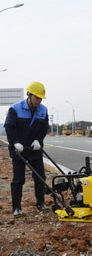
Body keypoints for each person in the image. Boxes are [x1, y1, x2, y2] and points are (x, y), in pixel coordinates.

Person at [4, 81, 49, 216]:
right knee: (18, 179)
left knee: (40, 176)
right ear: (29, 95)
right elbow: (9, 127)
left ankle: (40, 203)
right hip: (19, 150)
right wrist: (15, 142)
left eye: (41, 98)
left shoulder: (43, 110)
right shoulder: (15, 109)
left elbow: (44, 128)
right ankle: (16, 208)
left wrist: (38, 141)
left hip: (34, 149)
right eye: (36, 97)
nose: (39, 100)